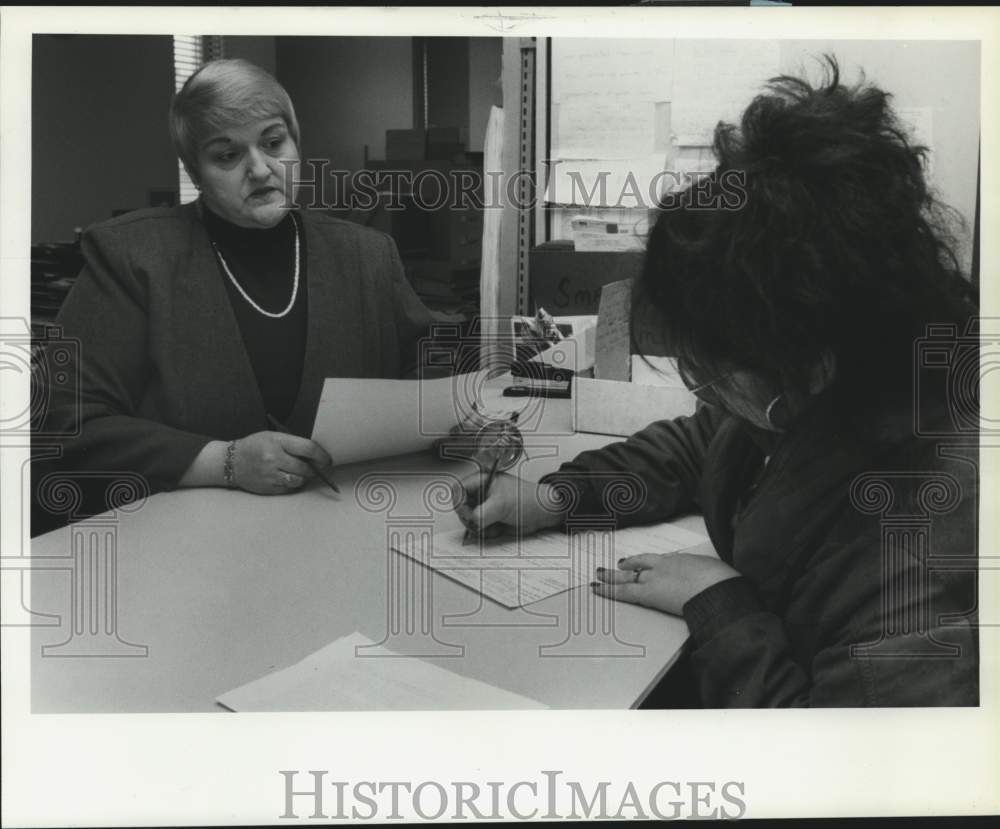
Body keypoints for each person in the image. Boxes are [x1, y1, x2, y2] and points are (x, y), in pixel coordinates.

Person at [453, 57, 979, 707]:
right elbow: (700, 445)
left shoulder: (921, 553)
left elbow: (826, 774)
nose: (700, 391)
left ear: (811, 365)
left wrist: (719, 603)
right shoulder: (806, 394)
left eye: (710, 371)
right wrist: (554, 497)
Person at [34, 59, 441, 526]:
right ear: (195, 171)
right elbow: (61, 420)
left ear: (296, 143)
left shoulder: (365, 252)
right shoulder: (133, 256)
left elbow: (430, 362)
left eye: (273, 142)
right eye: (227, 156)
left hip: (343, 523)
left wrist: (466, 420)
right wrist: (224, 462)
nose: (260, 169)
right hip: (184, 539)